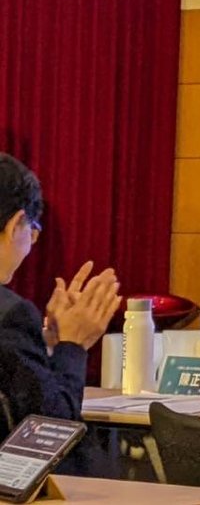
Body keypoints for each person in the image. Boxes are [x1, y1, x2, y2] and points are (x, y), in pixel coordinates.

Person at [0, 154, 121, 475]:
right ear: (15, 224)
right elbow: (50, 432)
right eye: (33, 231)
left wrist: (46, 349)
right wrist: (72, 346)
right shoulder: (10, 316)